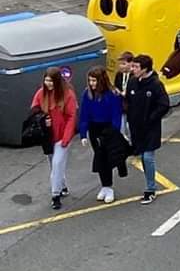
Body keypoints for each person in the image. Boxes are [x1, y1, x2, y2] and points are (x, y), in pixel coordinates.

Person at [77, 66, 126, 203]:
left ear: (102, 80)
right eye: (90, 80)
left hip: (108, 129)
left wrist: (113, 132)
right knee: (99, 157)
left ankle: (108, 187)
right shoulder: (87, 94)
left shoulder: (113, 94)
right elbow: (84, 115)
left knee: (106, 158)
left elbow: (116, 115)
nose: (92, 84)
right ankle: (105, 185)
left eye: (94, 81)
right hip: (94, 129)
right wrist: (83, 134)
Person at [31, 66, 77, 209]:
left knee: (57, 164)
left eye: (51, 81)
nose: (48, 84)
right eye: (46, 81)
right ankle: (62, 186)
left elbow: (71, 117)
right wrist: (43, 119)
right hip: (49, 136)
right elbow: (34, 109)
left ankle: (55, 195)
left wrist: (66, 138)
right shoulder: (41, 93)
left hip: (62, 136)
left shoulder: (68, 95)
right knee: (54, 164)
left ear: (57, 81)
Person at [127, 53, 170, 204]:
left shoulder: (155, 84)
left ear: (145, 69)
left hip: (150, 127)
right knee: (142, 156)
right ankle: (149, 183)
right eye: (132, 66)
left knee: (148, 156)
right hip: (135, 127)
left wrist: (151, 118)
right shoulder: (132, 82)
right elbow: (128, 101)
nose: (133, 69)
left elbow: (164, 104)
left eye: (136, 67)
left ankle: (150, 189)